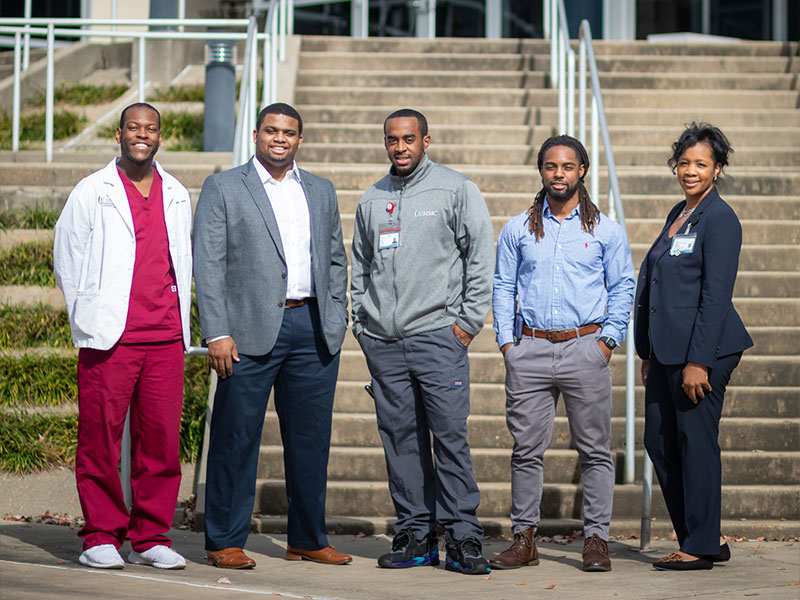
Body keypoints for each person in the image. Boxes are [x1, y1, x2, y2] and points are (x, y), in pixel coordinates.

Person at [193, 102, 350, 569]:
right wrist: (216, 331)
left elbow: (336, 258)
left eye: (289, 133)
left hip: (313, 329)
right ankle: (224, 539)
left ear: (300, 140)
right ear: (256, 134)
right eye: (271, 131)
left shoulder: (320, 190)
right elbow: (209, 263)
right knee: (235, 437)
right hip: (246, 333)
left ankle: (307, 537)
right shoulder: (223, 186)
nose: (279, 139)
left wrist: (335, 318)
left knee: (310, 440)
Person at [350, 108, 495, 575]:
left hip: (439, 338)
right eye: (392, 139)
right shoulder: (372, 198)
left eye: (409, 138)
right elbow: (359, 266)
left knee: (450, 438)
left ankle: (463, 537)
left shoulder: (456, 189)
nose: (400, 147)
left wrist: (467, 325)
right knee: (400, 440)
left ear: (426, 141)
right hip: (385, 343)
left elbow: (480, 258)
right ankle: (415, 533)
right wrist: (362, 323)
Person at [53, 103, 192, 570]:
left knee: (161, 442)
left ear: (159, 136)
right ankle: (100, 535)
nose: (142, 135)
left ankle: (150, 535)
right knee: (100, 440)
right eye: (134, 127)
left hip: (166, 336)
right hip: (109, 339)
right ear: (119, 134)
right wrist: (88, 311)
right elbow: (67, 257)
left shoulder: (175, 192)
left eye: (150, 129)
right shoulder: (93, 191)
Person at [491, 135, 635, 572]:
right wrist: (507, 344)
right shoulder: (518, 228)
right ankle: (524, 538)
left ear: (582, 171)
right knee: (525, 450)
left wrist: (607, 341)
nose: (559, 174)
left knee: (594, 450)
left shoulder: (604, 229)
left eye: (567, 166)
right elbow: (503, 286)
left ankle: (596, 540)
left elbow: (623, 285)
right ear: (541, 171)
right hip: (530, 348)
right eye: (551, 166)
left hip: (584, 348)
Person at [635, 123, 753, 571]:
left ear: (717, 169)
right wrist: (648, 352)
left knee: (695, 440)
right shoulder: (678, 213)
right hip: (666, 350)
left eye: (701, 163)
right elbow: (660, 281)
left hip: (705, 351)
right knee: (660, 440)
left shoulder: (721, 219)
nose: (690, 170)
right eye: (684, 162)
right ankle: (704, 536)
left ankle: (700, 544)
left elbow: (715, 296)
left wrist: (698, 362)